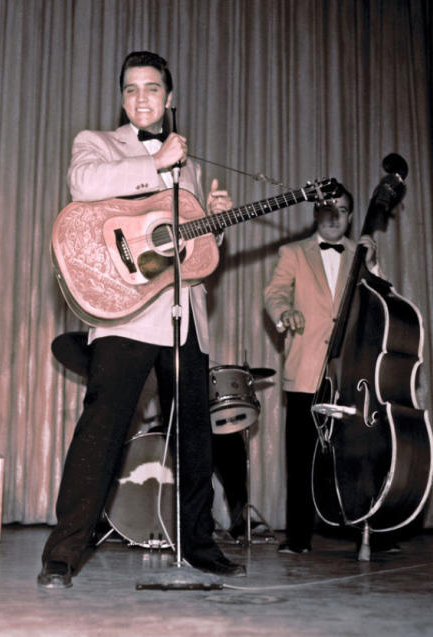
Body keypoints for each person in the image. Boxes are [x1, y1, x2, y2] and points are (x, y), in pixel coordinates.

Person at [38, 51, 244, 589]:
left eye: (152, 89)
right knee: (101, 432)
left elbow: (190, 252)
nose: (141, 98)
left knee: (197, 437)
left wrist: (215, 222)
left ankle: (199, 544)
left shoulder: (193, 168)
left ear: (169, 98)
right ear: (122, 98)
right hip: (123, 315)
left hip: (185, 317)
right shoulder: (99, 144)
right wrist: (155, 163)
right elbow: (83, 183)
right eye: (131, 90)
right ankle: (63, 553)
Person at [263, 187, 381, 555]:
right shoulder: (293, 252)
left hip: (352, 372)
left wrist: (372, 262)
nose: (334, 217)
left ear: (349, 217)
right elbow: (275, 293)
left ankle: (365, 533)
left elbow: (378, 298)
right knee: (302, 458)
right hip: (307, 368)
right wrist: (285, 314)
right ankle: (298, 538)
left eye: (343, 211)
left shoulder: (360, 255)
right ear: (316, 213)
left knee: (356, 456)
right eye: (327, 210)